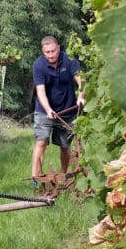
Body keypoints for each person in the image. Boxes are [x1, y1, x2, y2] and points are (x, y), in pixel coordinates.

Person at [31, 35, 85, 182]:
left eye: (53, 51)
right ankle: (36, 177)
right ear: (43, 52)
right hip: (44, 110)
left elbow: (81, 80)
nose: (50, 55)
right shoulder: (39, 65)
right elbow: (40, 91)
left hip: (68, 110)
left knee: (65, 145)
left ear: (58, 48)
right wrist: (48, 109)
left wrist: (81, 95)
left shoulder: (69, 60)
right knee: (41, 141)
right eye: (47, 52)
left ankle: (63, 175)